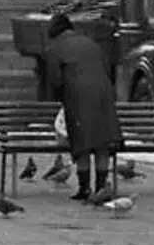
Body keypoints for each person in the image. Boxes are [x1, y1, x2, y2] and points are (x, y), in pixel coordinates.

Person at [42, 10, 123, 204]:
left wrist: (60, 97)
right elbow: (106, 68)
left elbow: (55, 80)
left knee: (82, 145)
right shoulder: (91, 43)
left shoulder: (55, 49)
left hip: (77, 97)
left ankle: (85, 188)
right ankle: (101, 188)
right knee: (102, 144)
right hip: (104, 96)